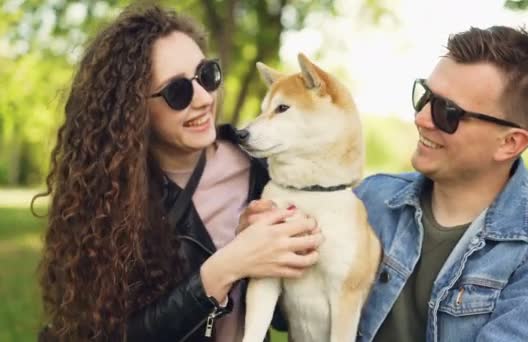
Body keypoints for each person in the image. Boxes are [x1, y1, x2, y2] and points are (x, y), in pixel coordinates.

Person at [34, 4, 323, 341]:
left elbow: (293, 317)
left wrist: (285, 252)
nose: (202, 98)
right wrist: (224, 268)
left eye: (207, 75)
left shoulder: (266, 173)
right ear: (134, 110)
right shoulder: (107, 200)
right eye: (177, 92)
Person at [354, 26, 528, 342]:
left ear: (509, 143)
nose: (422, 118)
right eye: (425, 95)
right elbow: (288, 315)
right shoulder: (369, 199)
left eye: (446, 111)